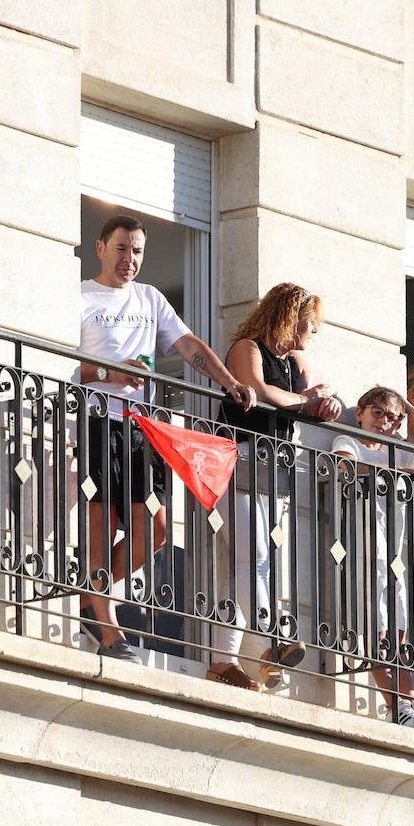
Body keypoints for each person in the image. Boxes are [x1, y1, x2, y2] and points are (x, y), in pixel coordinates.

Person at [76, 214, 256, 663]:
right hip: (97, 420)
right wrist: (112, 373)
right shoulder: (80, 295)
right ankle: (108, 626)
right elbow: (66, 364)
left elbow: (189, 345)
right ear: (100, 248)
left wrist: (229, 382)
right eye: (121, 248)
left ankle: (88, 594)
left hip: (142, 426)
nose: (129, 259)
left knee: (154, 529)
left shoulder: (151, 298)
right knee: (100, 526)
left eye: (137, 251)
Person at [208, 283, 341, 690]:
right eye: (310, 322)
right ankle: (272, 643)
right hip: (236, 457)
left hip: (270, 465)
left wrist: (328, 403)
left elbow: (317, 394)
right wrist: (307, 400)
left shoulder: (294, 360)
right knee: (257, 556)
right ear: (290, 318)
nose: (313, 331)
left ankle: (223, 660)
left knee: (245, 565)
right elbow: (263, 393)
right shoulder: (247, 348)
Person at [333, 387, 414, 731]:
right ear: (362, 412)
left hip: (395, 553)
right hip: (365, 546)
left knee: (399, 630)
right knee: (378, 626)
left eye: (393, 417)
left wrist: (407, 406)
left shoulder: (400, 451)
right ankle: (397, 704)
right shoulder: (348, 439)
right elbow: (346, 467)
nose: (385, 422)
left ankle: (411, 703)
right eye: (378, 413)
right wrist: (399, 474)